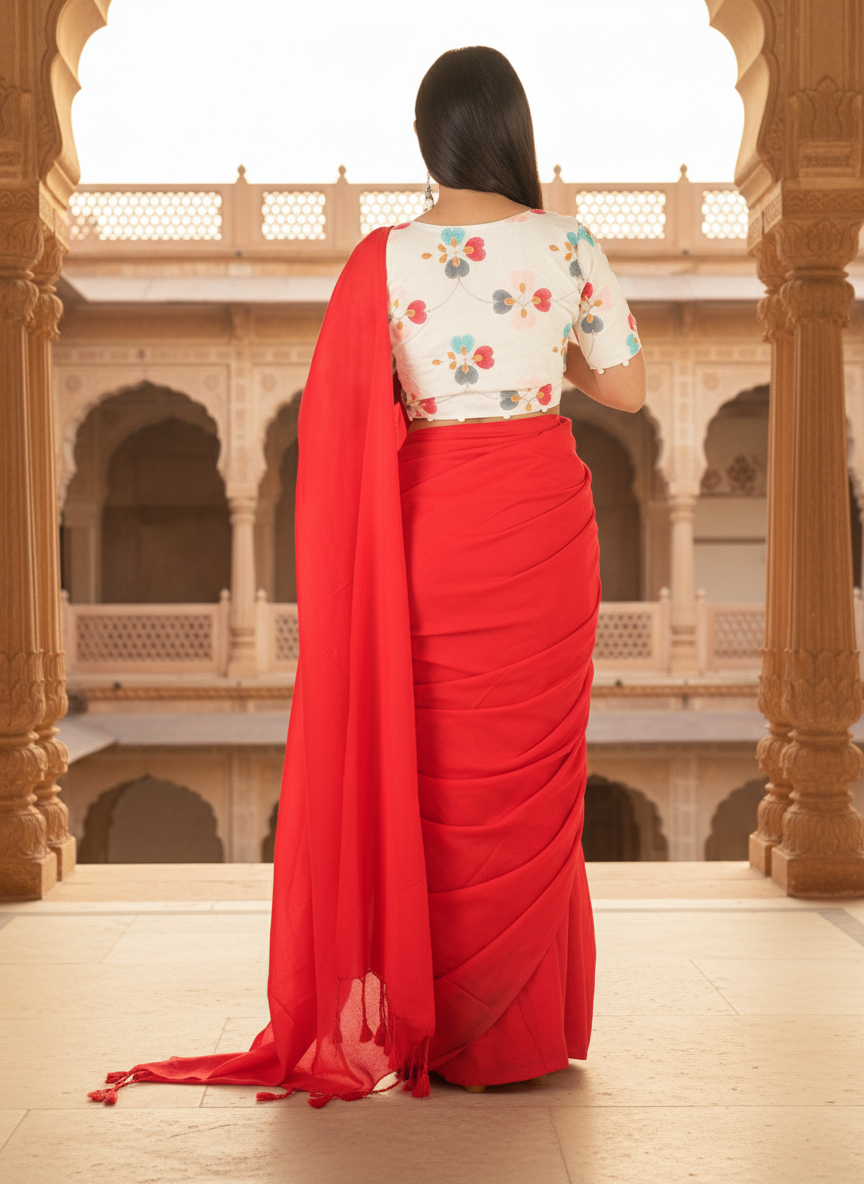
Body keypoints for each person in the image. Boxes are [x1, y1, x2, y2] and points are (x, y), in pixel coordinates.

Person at [88, 45, 645, 1110]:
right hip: (540, 522)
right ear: (515, 132)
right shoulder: (565, 244)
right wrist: (550, 353)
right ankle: (515, 1034)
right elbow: (624, 385)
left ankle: (434, 1016)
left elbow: (354, 411)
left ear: (428, 143)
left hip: (436, 527)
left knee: (435, 778)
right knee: (533, 785)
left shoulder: (385, 259)